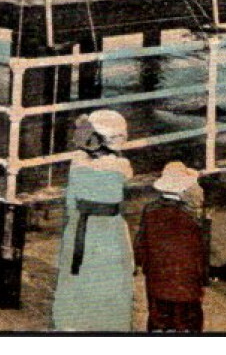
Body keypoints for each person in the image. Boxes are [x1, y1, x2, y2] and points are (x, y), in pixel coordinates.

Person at [51, 110, 134, 331]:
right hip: (109, 227)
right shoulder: (121, 167)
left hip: (79, 225)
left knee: (75, 275)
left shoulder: (77, 163)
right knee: (111, 277)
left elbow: (71, 202)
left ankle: (71, 325)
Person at [134, 161, 207, 333]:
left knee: (158, 320)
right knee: (186, 323)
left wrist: (142, 265)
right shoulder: (192, 215)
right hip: (186, 282)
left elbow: (141, 244)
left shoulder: (149, 210)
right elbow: (200, 251)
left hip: (157, 279)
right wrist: (202, 279)